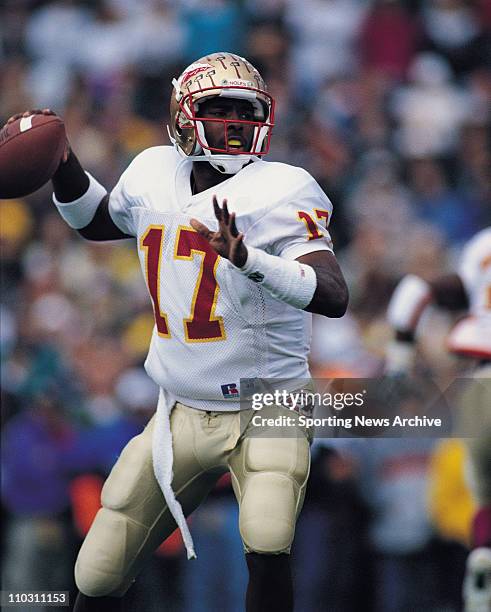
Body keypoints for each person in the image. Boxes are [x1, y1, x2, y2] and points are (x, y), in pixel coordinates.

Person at [7, 52, 348, 612]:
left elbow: (333, 294)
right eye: (219, 109)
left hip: (268, 403)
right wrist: (63, 162)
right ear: (183, 117)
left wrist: (250, 260)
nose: (235, 123)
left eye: (246, 110)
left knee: (267, 535)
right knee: (97, 569)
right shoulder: (151, 171)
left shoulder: (285, 189)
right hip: (179, 409)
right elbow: (97, 221)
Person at [385, 227, 491, 612]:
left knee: (485, 501)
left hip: (481, 382)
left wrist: (398, 362)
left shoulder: (481, 246)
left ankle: (483, 557)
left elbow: (414, 290)